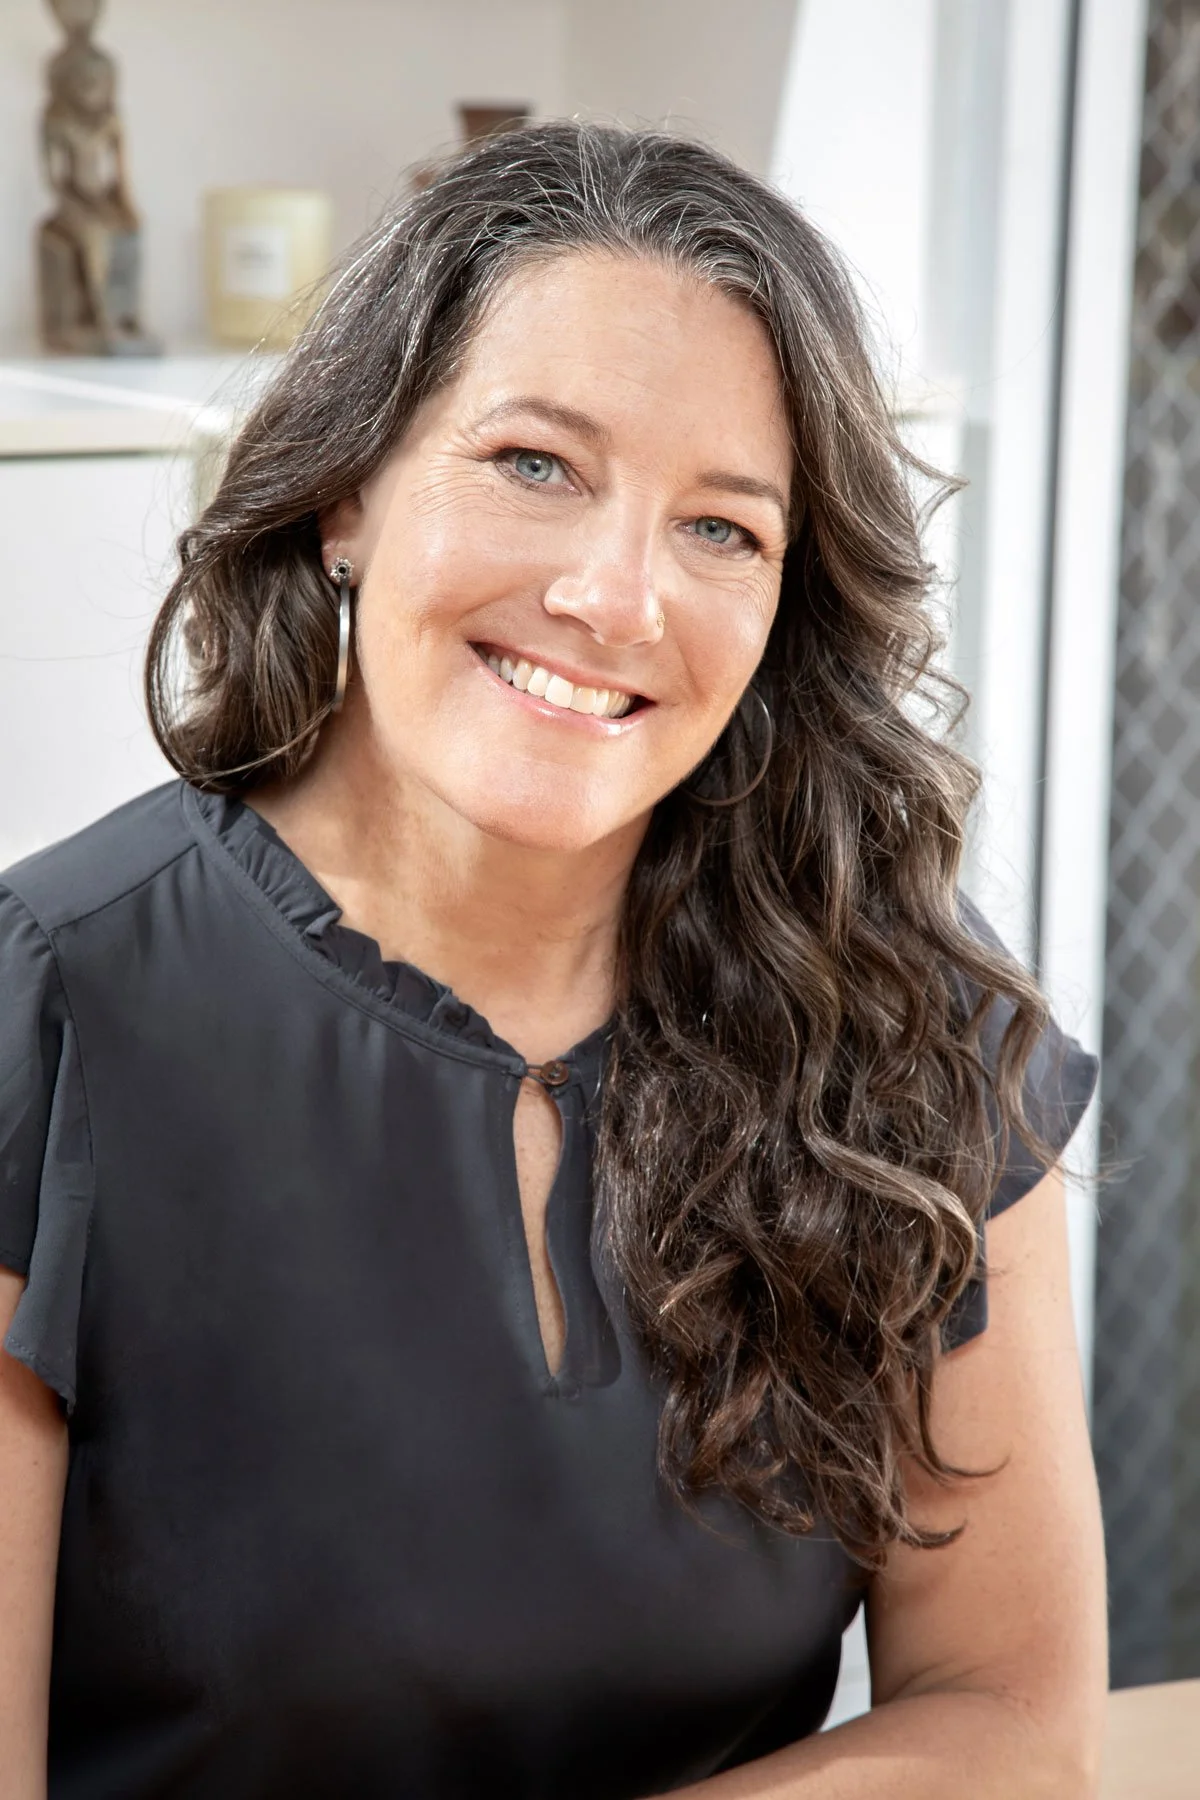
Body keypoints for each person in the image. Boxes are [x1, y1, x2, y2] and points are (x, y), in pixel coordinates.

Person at [0, 121, 1106, 1798]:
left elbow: (1014, 1720)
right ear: (345, 491)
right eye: (536, 463)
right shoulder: (48, 1009)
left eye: (722, 530)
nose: (615, 596)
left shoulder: (907, 1019)